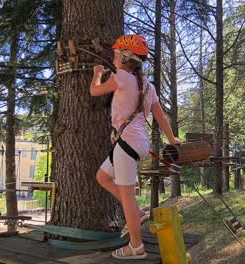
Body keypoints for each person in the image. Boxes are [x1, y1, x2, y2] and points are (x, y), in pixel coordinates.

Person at [90, 34, 182, 260]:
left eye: (116, 54)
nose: (114, 57)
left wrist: (97, 75)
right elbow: (160, 116)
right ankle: (138, 214)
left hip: (127, 144)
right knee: (102, 177)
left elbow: (95, 91)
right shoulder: (148, 86)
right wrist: (172, 138)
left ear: (123, 57)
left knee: (128, 195)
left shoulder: (120, 77)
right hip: (137, 143)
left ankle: (136, 246)